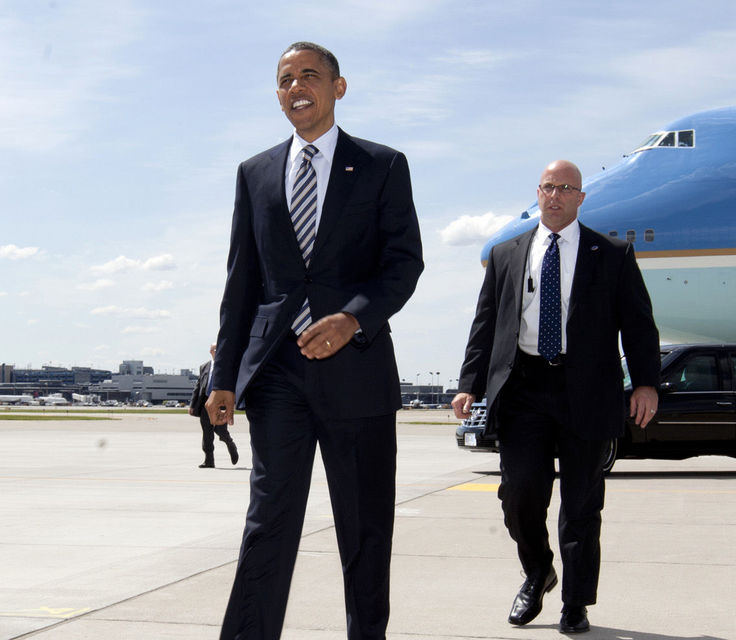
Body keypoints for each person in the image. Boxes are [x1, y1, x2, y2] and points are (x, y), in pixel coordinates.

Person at [206, 42, 423, 640]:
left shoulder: (382, 165)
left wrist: (353, 318)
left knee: (365, 527)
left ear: (338, 87)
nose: (296, 87)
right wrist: (225, 375)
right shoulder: (254, 173)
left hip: (357, 371)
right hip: (278, 373)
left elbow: (403, 264)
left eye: (309, 76)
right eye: (284, 79)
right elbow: (242, 281)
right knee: (267, 522)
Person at [451, 160, 660, 634]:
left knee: (582, 504)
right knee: (519, 494)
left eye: (566, 188)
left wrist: (645, 382)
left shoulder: (611, 254)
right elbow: (486, 324)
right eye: (548, 187)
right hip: (524, 389)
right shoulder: (506, 254)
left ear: (581, 198)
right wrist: (469, 384)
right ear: (538, 193)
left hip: (586, 391)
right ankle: (537, 570)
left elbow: (639, 324)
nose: (555, 195)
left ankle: (575, 602)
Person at [189, 344, 238, 468]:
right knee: (207, 432)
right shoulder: (204, 367)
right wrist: (193, 404)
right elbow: (198, 386)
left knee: (220, 430)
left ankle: (230, 444)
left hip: (220, 401)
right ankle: (209, 461)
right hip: (206, 401)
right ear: (211, 351)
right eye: (216, 349)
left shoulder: (227, 365)